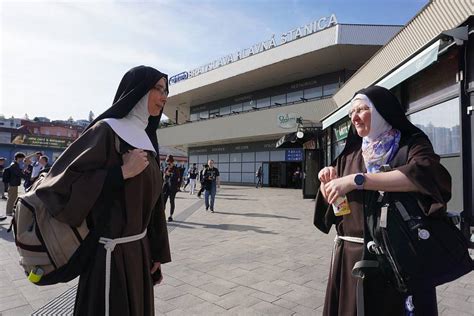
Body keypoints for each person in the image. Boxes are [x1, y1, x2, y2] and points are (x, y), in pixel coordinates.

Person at [35, 65, 171, 316]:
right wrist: (119, 173)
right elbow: (57, 187)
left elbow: (154, 204)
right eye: (159, 89)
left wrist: (156, 253)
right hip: (109, 258)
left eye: (166, 91)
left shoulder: (147, 139)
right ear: (138, 90)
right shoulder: (106, 131)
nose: (164, 97)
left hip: (138, 253)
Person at [314, 86, 451, 316]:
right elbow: (336, 210)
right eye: (351, 113)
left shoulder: (410, 145)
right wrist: (327, 182)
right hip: (353, 260)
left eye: (361, 110)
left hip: (401, 257)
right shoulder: (349, 155)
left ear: (381, 111)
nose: (354, 118)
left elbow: (425, 175)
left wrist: (358, 180)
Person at [4, 152, 26, 218]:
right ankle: (8, 212)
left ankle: (10, 211)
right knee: (11, 198)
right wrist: (27, 177)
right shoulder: (14, 165)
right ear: (18, 158)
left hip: (14, 184)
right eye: (22, 158)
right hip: (12, 184)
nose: (22, 160)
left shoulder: (15, 164)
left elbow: (19, 172)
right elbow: (19, 173)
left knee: (13, 198)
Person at [163, 155, 180, 222]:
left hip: (173, 188)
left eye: (169, 163)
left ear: (172, 162)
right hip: (165, 188)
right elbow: (164, 179)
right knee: (163, 202)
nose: (168, 164)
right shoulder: (166, 169)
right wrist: (165, 175)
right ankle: (162, 216)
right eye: (167, 163)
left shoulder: (176, 169)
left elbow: (177, 178)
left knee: (171, 201)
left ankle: (171, 215)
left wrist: (169, 174)